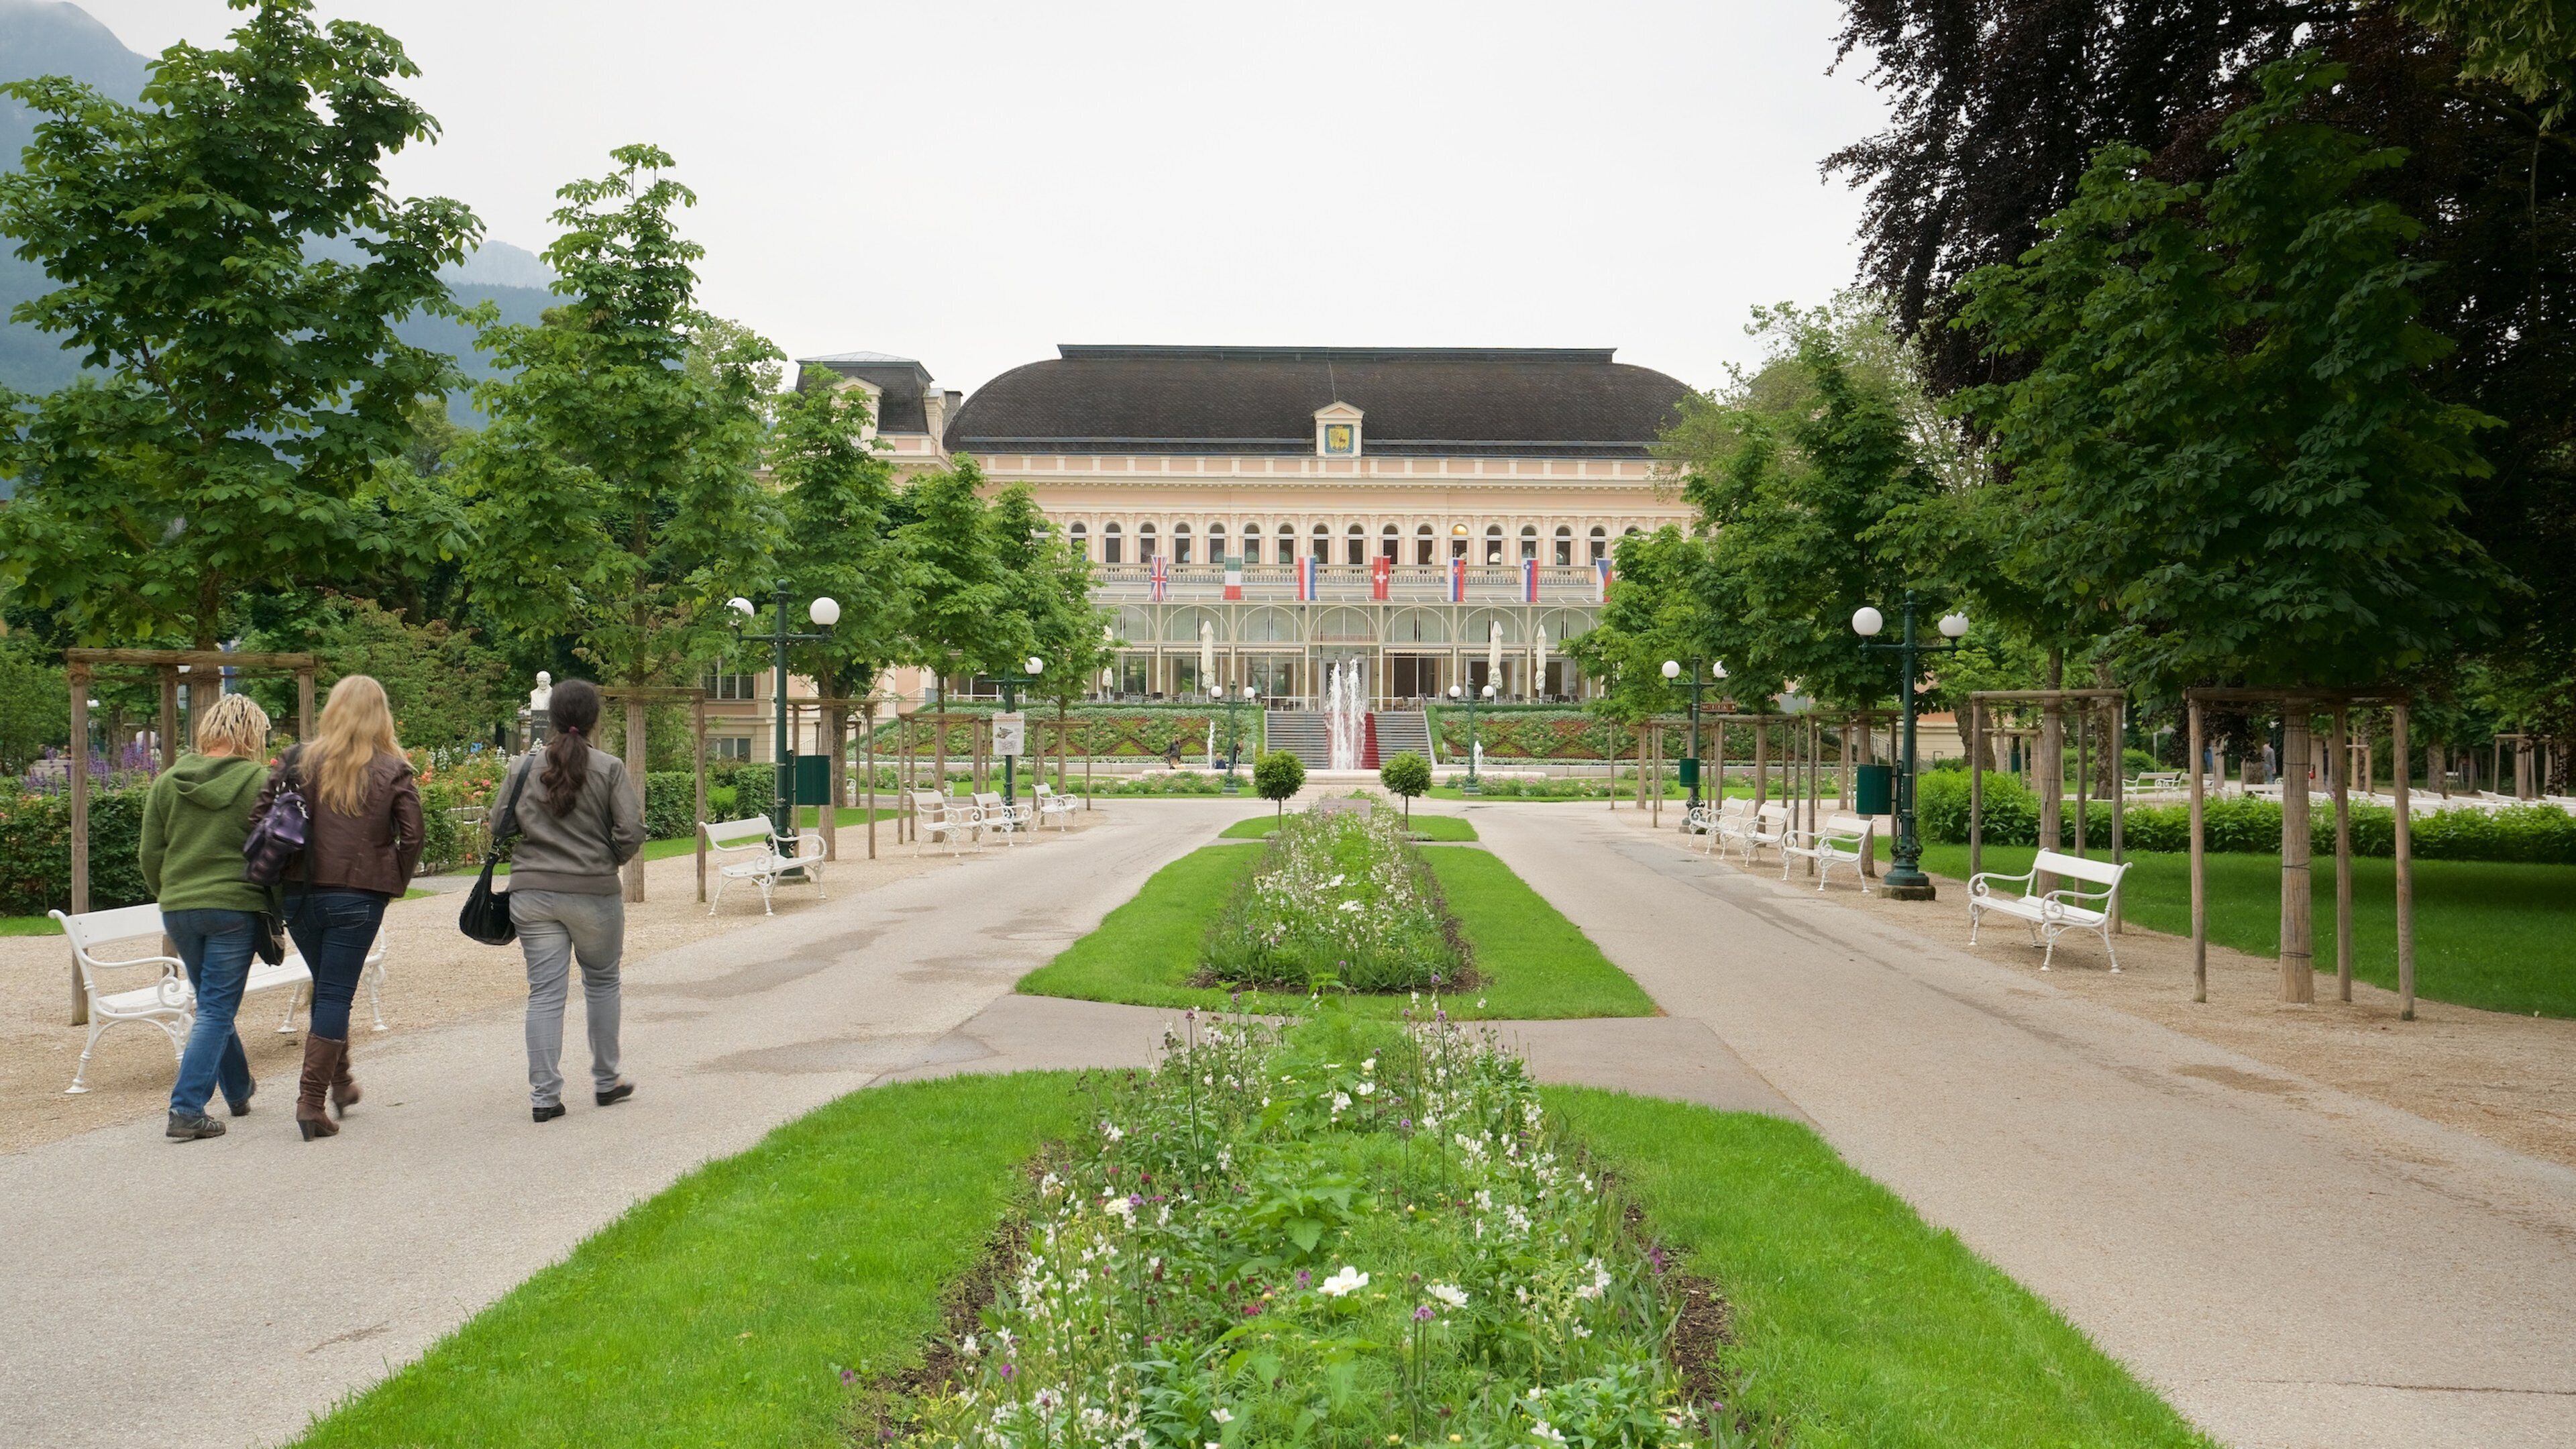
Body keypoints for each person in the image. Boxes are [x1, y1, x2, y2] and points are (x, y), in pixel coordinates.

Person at [254, 676, 423, 1141]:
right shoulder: (394, 768)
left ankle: (342, 1083)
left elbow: (258, 818)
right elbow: (413, 836)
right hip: (359, 895)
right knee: (333, 994)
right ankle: (310, 1103)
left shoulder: (296, 762)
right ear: (381, 715)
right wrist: (393, 880)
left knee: (328, 987)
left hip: (301, 893)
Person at [484, 678, 643, 1124]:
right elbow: (631, 832)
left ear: (552, 718)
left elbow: (499, 827)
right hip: (593, 893)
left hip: (532, 895)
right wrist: (604, 858)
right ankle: (606, 1080)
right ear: (595, 720)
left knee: (546, 994)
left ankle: (544, 1096)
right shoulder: (609, 767)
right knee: (603, 982)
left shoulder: (521, 767)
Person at [140, 693, 275, 1141]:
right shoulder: (259, 780)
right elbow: (274, 849)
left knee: (214, 1004)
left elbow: (149, 854)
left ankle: (238, 1089)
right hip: (233, 907)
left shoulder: (167, 781)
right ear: (252, 733)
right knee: (217, 1007)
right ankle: (186, 1108)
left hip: (179, 907)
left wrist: (171, 894)